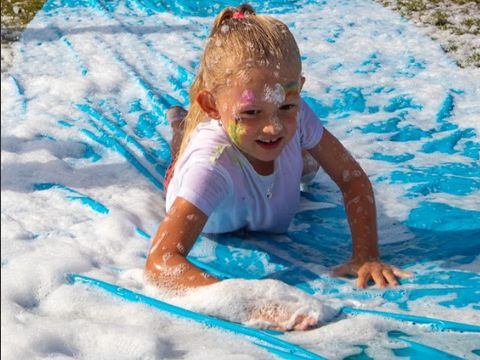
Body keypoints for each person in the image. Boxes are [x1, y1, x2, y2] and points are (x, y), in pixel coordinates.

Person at [145, 4, 412, 330]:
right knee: (183, 147)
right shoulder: (208, 168)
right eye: (252, 112)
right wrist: (250, 299)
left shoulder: (295, 116)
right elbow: (160, 263)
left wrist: (366, 255)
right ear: (212, 105)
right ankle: (181, 123)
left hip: (258, 162)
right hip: (207, 165)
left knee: (303, 157)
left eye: (286, 105)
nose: (273, 126)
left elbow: (352, 179)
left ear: (298, 90)